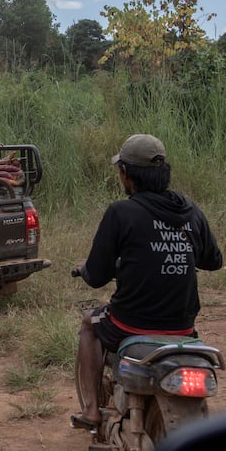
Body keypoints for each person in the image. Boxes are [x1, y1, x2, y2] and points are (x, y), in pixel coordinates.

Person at [70, 134, 222, 430]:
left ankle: (90, 411)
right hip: (183, 328)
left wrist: (86, 270)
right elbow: (213, 261)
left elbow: (97, 276)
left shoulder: (121, 212)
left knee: (90, 325)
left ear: (126, 174)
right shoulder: (190, 211)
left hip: (130, 325)